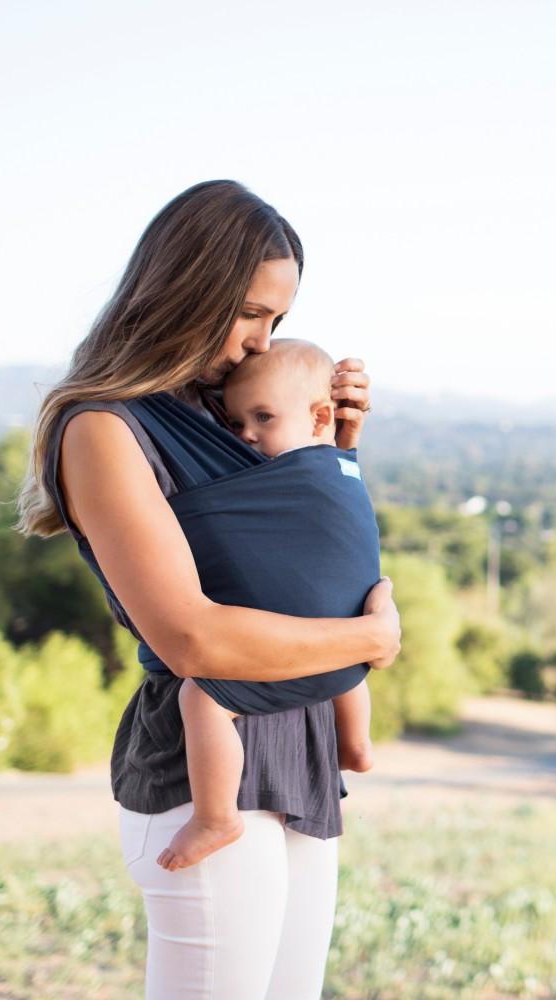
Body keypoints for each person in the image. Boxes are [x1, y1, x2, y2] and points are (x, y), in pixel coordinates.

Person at [14, 179, 401, 1000]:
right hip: (204, 765)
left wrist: (325, 444)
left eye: (279, 323)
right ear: (188, 290)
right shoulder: (106, 428)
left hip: (297, 749)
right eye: (251, 314)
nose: (262, 343)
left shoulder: (237, 413)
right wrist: (370, 641)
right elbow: (192, 636)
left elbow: (305, 559)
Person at [159, 337, 377, 873]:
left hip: (308, 651)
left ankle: (215, 816)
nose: (248, 436)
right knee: (343, 657)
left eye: (263, 417)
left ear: (320, 415)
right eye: (236, 425)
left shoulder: (281, 479)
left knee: (202, 699)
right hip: (349, 657)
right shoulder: (343, 467)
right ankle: (358, 747)